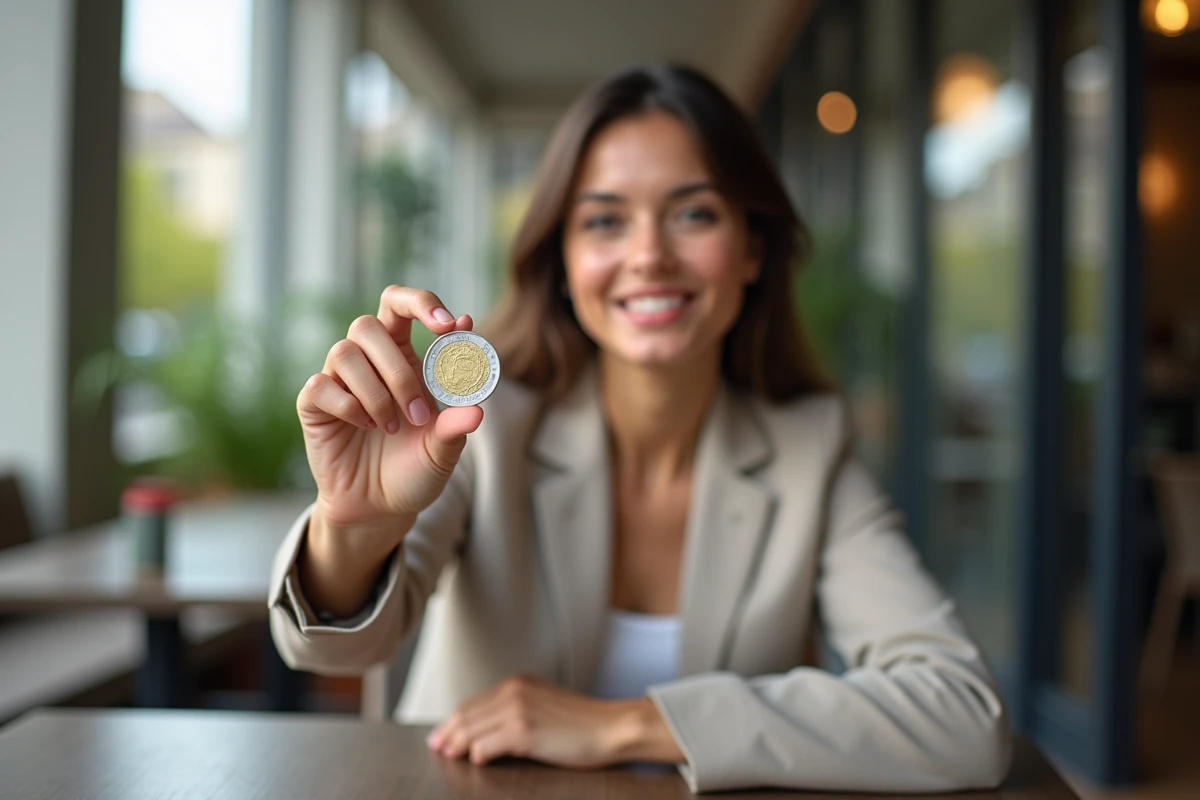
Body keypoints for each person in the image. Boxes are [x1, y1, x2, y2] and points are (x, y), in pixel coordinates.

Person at [269, 64, 1010, 793]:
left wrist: (624, 724)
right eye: (604, 220)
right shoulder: (480, 431)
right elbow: (334, 653)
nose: (650, 254)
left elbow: (964, 717)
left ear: (752, 249)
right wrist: (355, 524)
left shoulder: (808, 450)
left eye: (694, 213)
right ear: (562, 260)